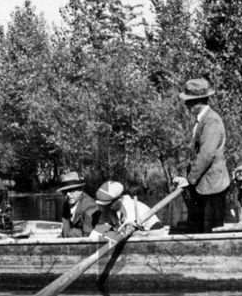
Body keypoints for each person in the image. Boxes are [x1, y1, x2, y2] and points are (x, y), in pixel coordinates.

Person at [172, 78, 231, 233]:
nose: (186, 105)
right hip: (203, 185)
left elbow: (206, 154)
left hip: (212, 187)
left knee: (210, 231)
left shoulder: (211, 121)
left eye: (189, 101)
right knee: (197, 228)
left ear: (199, 101)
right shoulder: (202, 120)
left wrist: (189, 179)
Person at [91, 181, 162, 238]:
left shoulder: (131, 209)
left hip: (154, 235)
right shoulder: (111, 208)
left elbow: (125, 233)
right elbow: (102, 228)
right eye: (104, 205)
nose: (106, 207)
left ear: (119, 199)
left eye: (108, 204)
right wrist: (90, 239)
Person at [58, 171, 97, 238]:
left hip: (94, 236)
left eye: (72, 191)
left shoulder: (89, 206)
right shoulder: (66, 205)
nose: (68, 195)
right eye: (65, 192)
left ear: (81, 190)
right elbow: (65, 231)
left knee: (73, 233)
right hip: (76, 236)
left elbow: (87, 235)